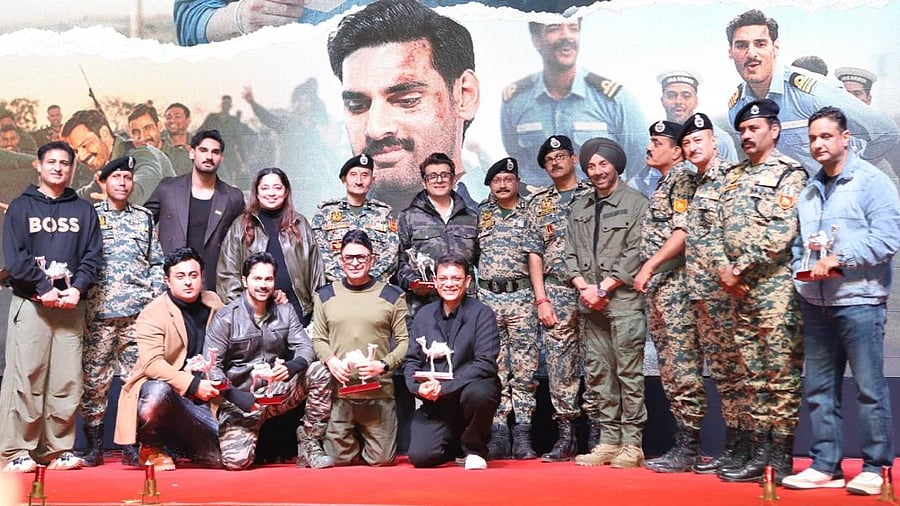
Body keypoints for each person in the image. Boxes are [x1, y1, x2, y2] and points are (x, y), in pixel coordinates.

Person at [783, 107, 900, 495]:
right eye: (813, 138)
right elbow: (802, 243)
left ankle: (874, 466)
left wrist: (840, 259)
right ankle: (825, 465)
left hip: (860, 301)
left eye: (826, 137)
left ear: (845, 138)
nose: (818, 144)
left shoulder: (871, 182)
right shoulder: (810, 188)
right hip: (816, 303)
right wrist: (800, 273)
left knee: (868, 388)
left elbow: (887, 240)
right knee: (819, 389)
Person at [716, 99, 806, 483]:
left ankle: (781, 456)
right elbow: (716, 226)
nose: (747, 135)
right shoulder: (733, 176)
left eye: (755, 129)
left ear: (774, 130)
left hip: (774, 289)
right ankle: (759, 451)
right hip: (738, 291)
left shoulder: (790, 174)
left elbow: (782, 230)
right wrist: (724, 266)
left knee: (779, 374)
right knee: (752, 373)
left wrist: (738, 267)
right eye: (743, 130)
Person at [0, 141, 103, 472]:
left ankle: (56, 449)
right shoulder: (20, 207)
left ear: (72, 169)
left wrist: (78, 289)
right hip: (32, 304)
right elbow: (16, 258)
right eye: (52, 162)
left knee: (66, 380)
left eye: (64, 163)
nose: (58, 167)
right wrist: (43, 288)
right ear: (38, 166)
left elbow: (93, 255)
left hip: (70, 306)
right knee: (25, 378)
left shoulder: (83, 210)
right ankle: (16, 450)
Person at [326, 0, 481, 214]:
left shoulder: (513, 227)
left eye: (407, 100)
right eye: (357, 105)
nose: (375, 129)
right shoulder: (321, 233)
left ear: (465, 95)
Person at [725, 9, 899, 176]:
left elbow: (886, 133)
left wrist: (849, 174)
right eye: (741, 46)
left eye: (760, 44)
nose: (751, 53)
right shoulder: (738, 109)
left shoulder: (812, 93)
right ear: (731, 52)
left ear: (775, 48)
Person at [206, 252, 334, 470]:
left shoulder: (285, 311)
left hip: (277, 393)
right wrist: (238, 397)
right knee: (237, 463)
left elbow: (305, 347)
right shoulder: (226, 317)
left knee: (320, 371)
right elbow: (211, 369)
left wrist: (291, 367)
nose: (263, 285)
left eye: (268, 279)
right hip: (241, 402)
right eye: (257, 279)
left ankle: (309, 442)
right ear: (245, 281)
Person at [565, 137, 648, 469]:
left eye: (603, 164)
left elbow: (636, 252)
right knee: (600, 375)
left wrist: (605, 287)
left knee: (628, 373)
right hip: (589, 302)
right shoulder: (580, 207)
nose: (597, 171)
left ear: (616, 165)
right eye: (591, 166)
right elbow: (569, 252)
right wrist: (583, 286)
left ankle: (632, 444)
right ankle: (609, 441)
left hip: (623, 302)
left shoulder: (636, 203)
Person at [80, 156, 165, 467]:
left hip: (136, 318)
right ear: (103, 182)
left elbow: (157, 262)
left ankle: (132, 446)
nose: (122, 183)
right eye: (115, 177)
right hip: (99, 315)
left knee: (134, 382)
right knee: (95, 382)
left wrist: (152, 296)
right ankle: (93, 448)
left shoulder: (143, 218)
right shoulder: (89, 217)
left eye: (127, 178)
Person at [678, 113, 748, 475]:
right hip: (701, 296)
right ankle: (734, 447)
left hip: (726, 296)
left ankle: (745, 447)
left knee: (737, 373)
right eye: (687, 143)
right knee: (722, 374)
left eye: (698, 141)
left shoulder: (729, 180)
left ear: (714, 143)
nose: (692, 148)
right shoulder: (693, 183)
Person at [113, 247, 224, 471]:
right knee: (157, 392)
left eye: (193, 275)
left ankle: (180, 446)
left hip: (203, 404)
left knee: (224, 459)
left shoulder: (214, 303)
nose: (188, 282)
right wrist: (193, 384)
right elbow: (152, 364)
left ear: (202, 277)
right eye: (180, 276)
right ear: (167, 280)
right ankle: (151, 444)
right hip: (171, 393)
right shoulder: (152, 313)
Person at [633, 121, 701, 473]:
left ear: (676, 151)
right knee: (670, 367)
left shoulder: (683, 180)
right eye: (649, 140)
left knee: (682, 364)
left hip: (675, 284)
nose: (649, 147)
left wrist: (650, 266)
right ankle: (682, 444)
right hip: (660, 288)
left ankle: (690, 446)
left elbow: (682, 232)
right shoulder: (664, 183)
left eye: (657, 142)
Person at [501, 19, 646, 186]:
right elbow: (517, 159)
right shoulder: (515, 102)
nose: (566, 36)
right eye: (554, 28)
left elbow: (641, 166)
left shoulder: (615, 100)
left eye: (573, 28)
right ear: (536, 39)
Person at [312, 231, 408, 466]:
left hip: (379, 394)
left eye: (361, 257)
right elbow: (318, 339)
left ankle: (365, 442)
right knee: (336, 460)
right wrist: (331, 361)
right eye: (349, 258)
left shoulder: (392, 295)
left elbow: (405, 341)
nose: (355, 263)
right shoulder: (325, 295)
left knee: (382, 460)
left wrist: (383, 365)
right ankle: (350, 442)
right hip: (340, 395)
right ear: (340, 260)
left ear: (372, 260)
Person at [524, 135, 592, 462]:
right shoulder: (538, 203)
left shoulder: (595, 193)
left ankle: (598, 435)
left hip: (593, 290)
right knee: (560, 366)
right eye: (549, 159)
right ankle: (567, 436)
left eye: (561, 156)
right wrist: (541, 299)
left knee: (597, 361)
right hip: (556, 290)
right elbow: (534, 253)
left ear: (574, 159)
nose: (555, 162)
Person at [402, 253, 500, 470]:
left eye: (456, 279)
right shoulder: (423, 316)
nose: (449, 284)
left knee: (482, 391)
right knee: (421, 457)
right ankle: (455, 441)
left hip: (468, 391)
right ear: (435, 281)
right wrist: (418, 388)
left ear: (467, 281)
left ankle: (474, 447)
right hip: (436, 401)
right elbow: (411, 361)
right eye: (443, 278)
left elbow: (486, 363)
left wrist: (445, 387)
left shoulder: (482, 314)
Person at [477, 157, 539, 460]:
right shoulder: (480, 213)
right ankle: (499, 432)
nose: (502, 185)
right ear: (490, 184)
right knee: (494, 367)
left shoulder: (532, 212)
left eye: (508, 179)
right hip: (488, 299)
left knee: (525, 368)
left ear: (517, 182)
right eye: (497, 180)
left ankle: (523, 434)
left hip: (522, 297)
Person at [217, 167, 324, 326]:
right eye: (265, 188)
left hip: (298, 311)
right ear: (257, 192)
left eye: (277, 187)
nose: (271, 193)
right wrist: (247, 311)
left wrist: (317, 316)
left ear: (286, 191)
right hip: (255, 316)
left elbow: (317, 273)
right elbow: (227, 277)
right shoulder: (241, 226)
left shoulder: (300, 224)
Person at [145, 129, 245, 291]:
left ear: (221, 158)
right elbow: (142, 223)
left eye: (215, 152)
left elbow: (243, 242)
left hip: (213, 285)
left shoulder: (233, 197)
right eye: (203, 150)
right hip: (170, 282)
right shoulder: (168, 188)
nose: (209, 157)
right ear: (192, 153)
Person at [396, 153, 478, 320]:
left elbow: (482, 261)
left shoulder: (471, 217)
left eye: (444, 175)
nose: (439, 180)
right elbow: (399, 260)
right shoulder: (408, 217)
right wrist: (414, 283)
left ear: (453, 179)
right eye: (432, 176)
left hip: (465, 306)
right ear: (423, 182)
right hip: (424, 308)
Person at [630, 71, 738, 196]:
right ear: (662, 100)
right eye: (671, 95)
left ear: (695, 101)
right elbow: (638, 184)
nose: (679, 101)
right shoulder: (652, 143)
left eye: (686, 96)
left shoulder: (720, 139)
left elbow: (733, 184)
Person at [310, 154, 398, 283]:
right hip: (336, 287)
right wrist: (345, 280)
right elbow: (318, 251)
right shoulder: (325, 212)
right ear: (344, 179)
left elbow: (392, 252)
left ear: (372, 180)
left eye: (365, 175)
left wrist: (368, 280)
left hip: (375, 288)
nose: (359, 181)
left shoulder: (384, 213)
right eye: (353, 175)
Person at [61, 109, 176, 205]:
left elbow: (145, 184)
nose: (81, 156)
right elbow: (86, 194)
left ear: (104, 133)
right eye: (76, 151)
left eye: (85, 145)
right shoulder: (108, 165)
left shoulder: (140, 152)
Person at [129, 103, 193, 177]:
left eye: (148, 128)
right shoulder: (128, 161)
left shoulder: (185, 160)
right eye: (135, 132)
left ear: (159, 126)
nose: (142, 137)